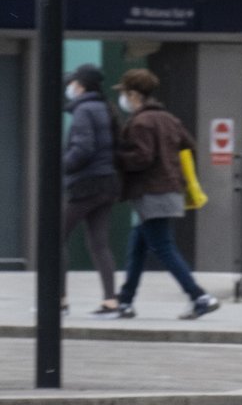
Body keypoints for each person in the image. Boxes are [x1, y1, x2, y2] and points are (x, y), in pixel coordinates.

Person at [111, 70, 219, 320]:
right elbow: (189, 145)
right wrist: (169, 163)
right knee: (138, 245)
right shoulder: (168, 118)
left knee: (163, 247)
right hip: (170, 189)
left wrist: (117, 156)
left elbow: (142, 157)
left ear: (135, 95)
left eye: (125, 93)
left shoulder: (140, 123)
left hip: (152, 192)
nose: (124, 99)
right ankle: (125, 301)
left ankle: (200, 296)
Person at [60, 64, 122, 316]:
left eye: (73, 82)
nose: (70, 87)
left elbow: (83, 148)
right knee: (99, 242)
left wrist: (61, 165)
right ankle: (110, 300)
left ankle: (58, 298)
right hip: (107, 182)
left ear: (81, 85)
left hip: (87, 183)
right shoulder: (105, 108)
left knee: (54, 238)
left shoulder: (84, 110)